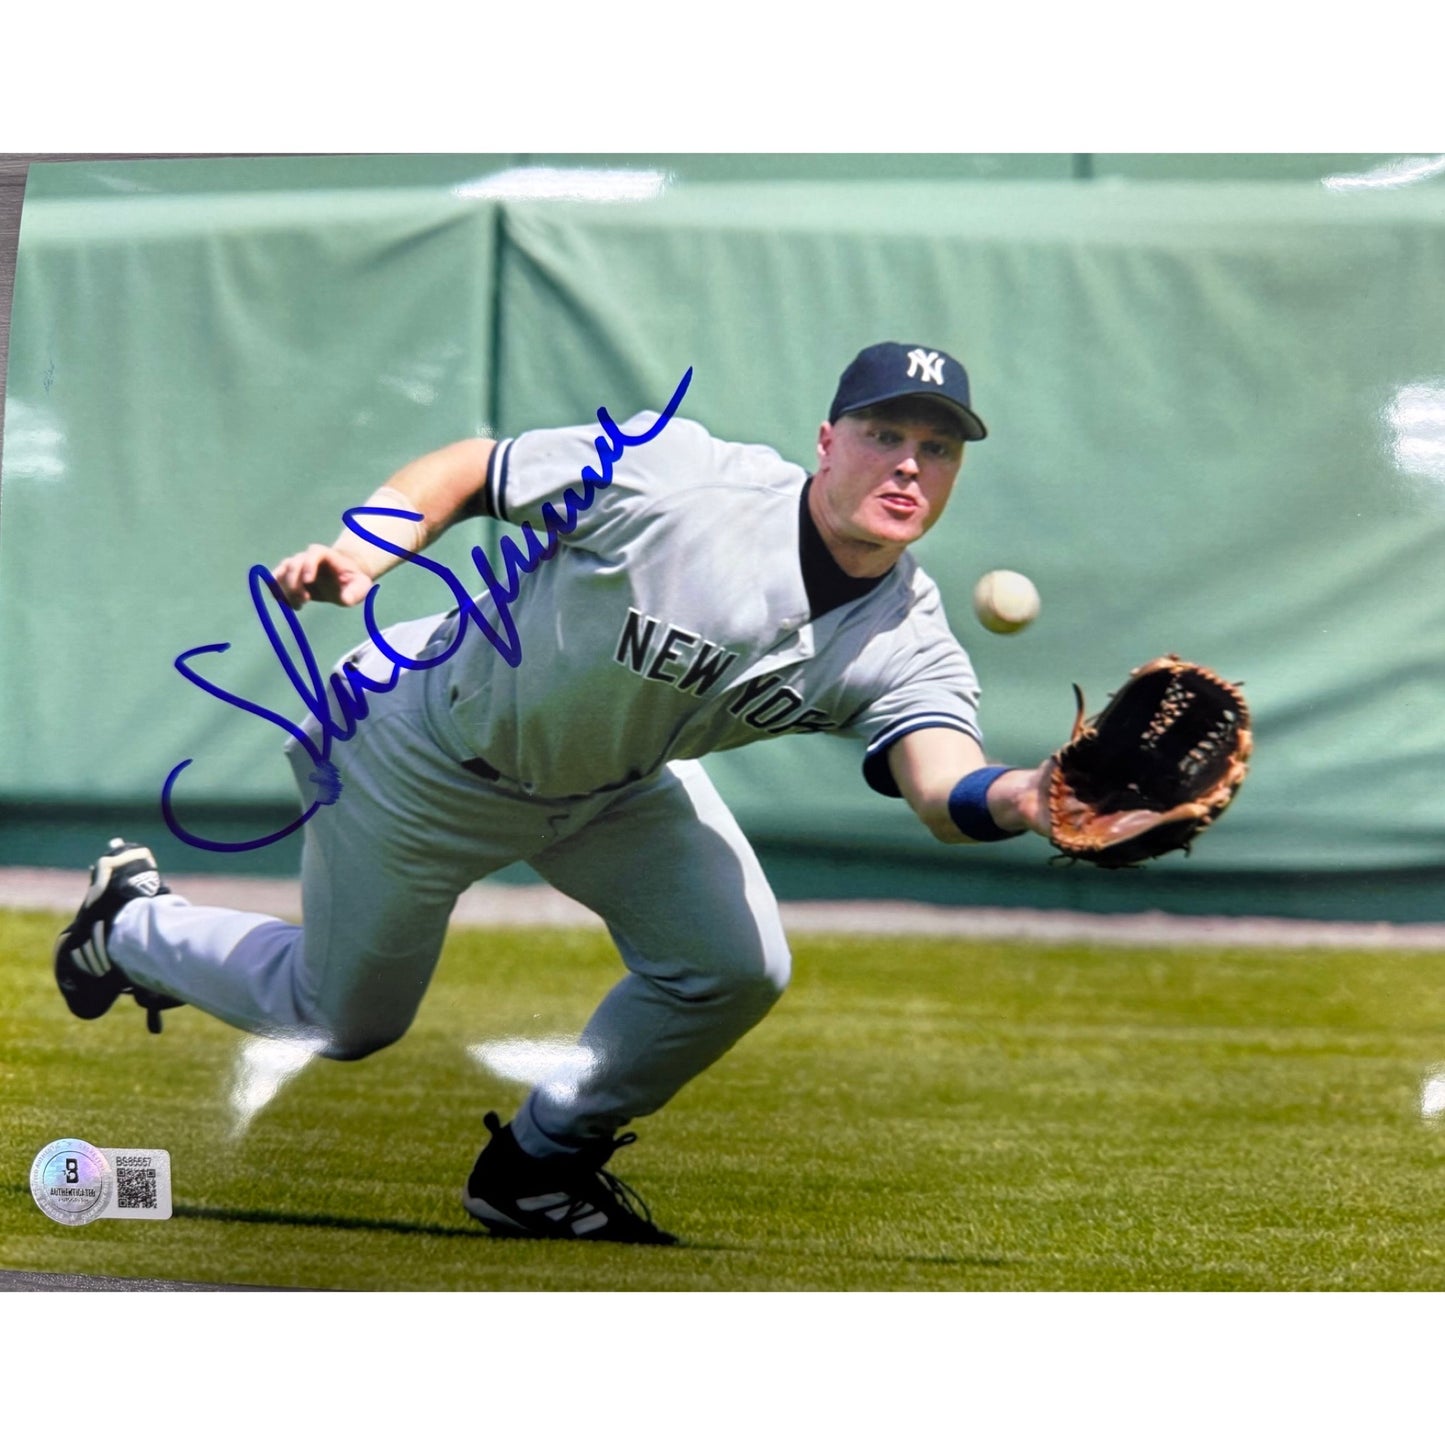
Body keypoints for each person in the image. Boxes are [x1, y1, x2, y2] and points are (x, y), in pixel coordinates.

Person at [54, 341, 1060, 1246]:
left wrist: (1031, 795)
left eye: (935, 449)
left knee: (731, 966)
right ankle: (128, 922)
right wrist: (364, 550)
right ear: (826, 440)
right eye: (884, 433)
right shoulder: (683, 477)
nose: (906, 465)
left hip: (610, 787)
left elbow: (940, 782)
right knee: (342, 1017)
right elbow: (474, 470)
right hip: (418, 752)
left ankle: (538, 1166)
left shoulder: (906, 634)